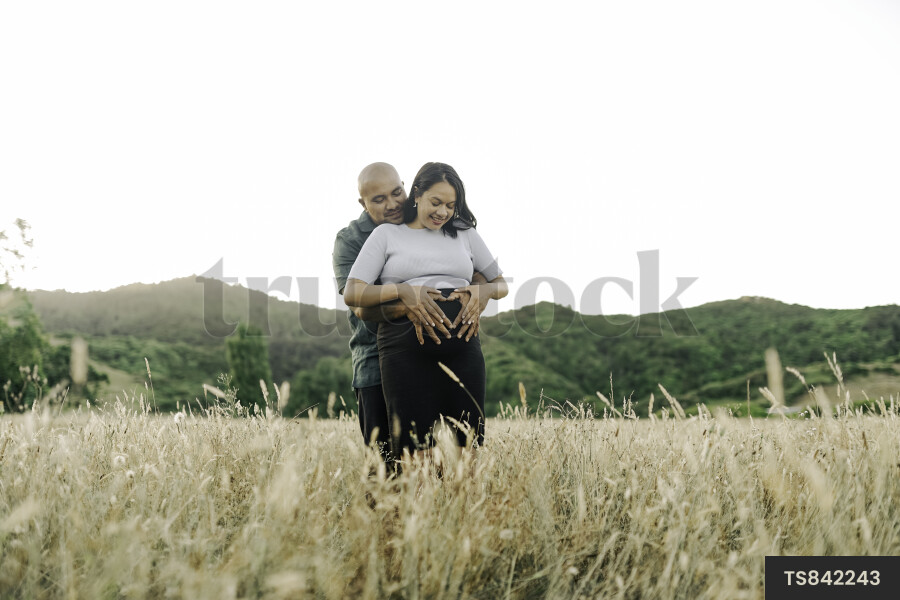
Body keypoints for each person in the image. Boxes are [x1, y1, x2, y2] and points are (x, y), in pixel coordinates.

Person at [343, 162, 508, 463]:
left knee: (466, 453)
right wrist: (403, 290)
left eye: (451, 205)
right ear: (417, 194)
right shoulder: (383, 236)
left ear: (406, 190)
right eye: (436, 202)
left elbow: (499, 283)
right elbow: (353, 295)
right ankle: (416, 512)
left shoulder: (464, 233)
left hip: (463, 351)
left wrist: (482, 291)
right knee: (416, 457)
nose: (443, 212)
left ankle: (459, 512)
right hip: (405, 355)